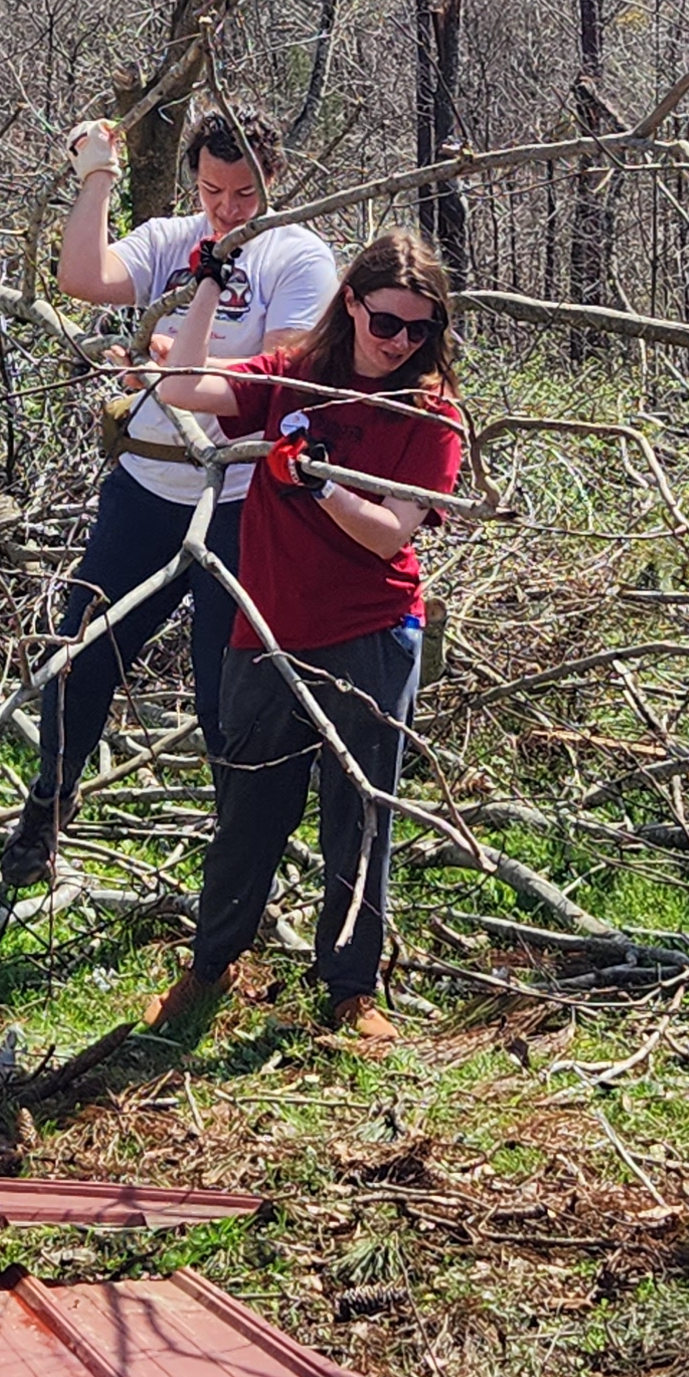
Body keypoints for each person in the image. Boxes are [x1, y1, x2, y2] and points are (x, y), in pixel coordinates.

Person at [0, 110, 339, 894]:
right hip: (149, 483)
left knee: (226, 693)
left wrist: (172, 354)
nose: (227, 208)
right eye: (213, 189)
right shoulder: (172, 238)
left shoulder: (300, 257)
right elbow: (82, 278)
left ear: (273, 181)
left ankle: (236, 859)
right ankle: (47, 807)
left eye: (245, 192)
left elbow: (275, 372)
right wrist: (98, 175)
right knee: (79, 653)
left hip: (242, 501)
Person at [141, 230, 466, 1044]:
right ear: (352, 302)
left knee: (359, 814)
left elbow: (391, 535)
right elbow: (181, 384)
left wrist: (316, 481)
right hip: (269, 632)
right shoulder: (292, 379)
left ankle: (352, 989)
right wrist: (206, 287)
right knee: (249, 809)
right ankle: (210, 968)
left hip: (372, 633)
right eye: (386, 322)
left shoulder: (432, 414)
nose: (399, 344)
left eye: (419, 331)